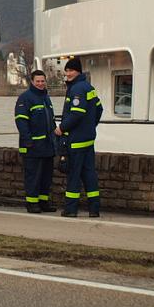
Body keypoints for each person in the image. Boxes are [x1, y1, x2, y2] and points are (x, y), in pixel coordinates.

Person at [54, 57, 102, 217]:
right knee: (89, 175)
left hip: (76, 142)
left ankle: (71, 209)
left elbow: (76, 114)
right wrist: (90, 127)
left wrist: (61, 128)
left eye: (71, 70)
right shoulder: (89, 87)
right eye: (66, 70)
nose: (68, 73)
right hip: (88, 140)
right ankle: (94, 209)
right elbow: (99, 109)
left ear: (78, 72)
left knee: (73, 175)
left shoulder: (76, 89)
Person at [13, 69, 57, 213]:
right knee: (33, 177)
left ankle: (43, 202)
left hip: (47, 146)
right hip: (32, 147)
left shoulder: (46, 98)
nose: (40, 83)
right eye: (37, 81)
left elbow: (51, 121)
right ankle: (32, 203)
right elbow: (21, 122)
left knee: (46, 177)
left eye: (42, 81)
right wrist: (28, 141)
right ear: (32, 82)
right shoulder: (25, 98)